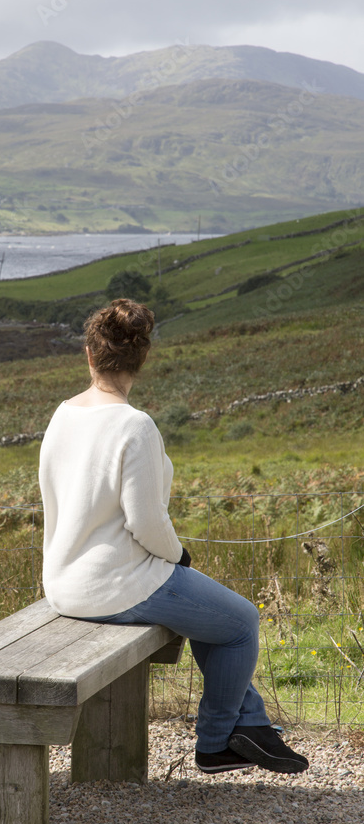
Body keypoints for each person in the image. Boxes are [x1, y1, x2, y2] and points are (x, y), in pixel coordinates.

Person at [38, 298, 308, 775]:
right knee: (242, 621)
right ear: (142, 359)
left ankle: (251, 724)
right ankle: (217, 741)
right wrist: (179, 554)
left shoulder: (63, 415)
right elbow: (145, 521)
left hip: (63, 583)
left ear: (89, 354)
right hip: (115, 584)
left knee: (212, 612)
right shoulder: (134, 425)